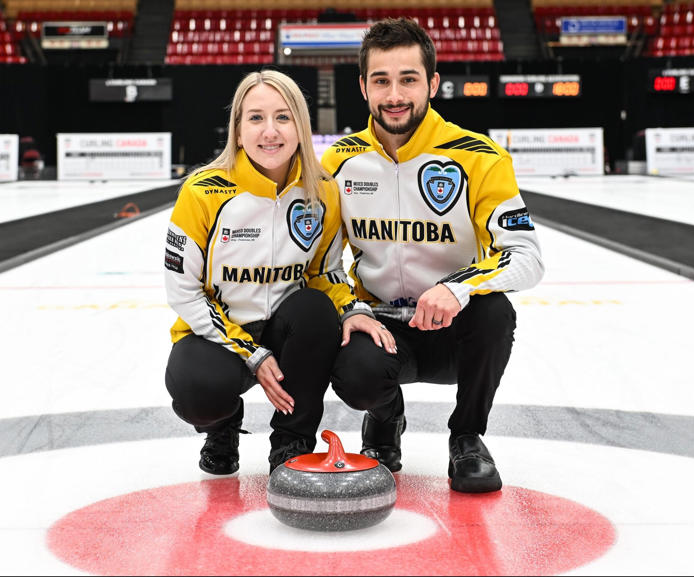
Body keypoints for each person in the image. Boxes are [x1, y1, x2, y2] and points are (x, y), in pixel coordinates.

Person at [321, 18, 545, 493]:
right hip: (382, 329)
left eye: (408, 79)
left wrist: (457, 286)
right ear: (363, 87)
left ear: (433, 84)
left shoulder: (479, 157)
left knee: (494, 310)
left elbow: (526, 255)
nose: (394, 94)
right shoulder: (339, 162)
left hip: (452, 331)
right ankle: (385, 420)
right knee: (350, 367)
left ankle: (467, 437)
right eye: (381, 80)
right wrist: (351, 309)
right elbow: (321, 262)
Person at [164, 70, 374, 476]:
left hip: (287, 331)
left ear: (300, 126)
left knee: (316, 311)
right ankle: (220, 427)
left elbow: (325, 272)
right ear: (238, 130)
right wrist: (251, 353)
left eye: (283, 117)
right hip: (217, 337)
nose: (270, 131)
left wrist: (352, 309)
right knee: (199, 391)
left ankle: (292, 441)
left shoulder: (323, 190)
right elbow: (184, 293)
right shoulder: (203, 191)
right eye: (255, 118)